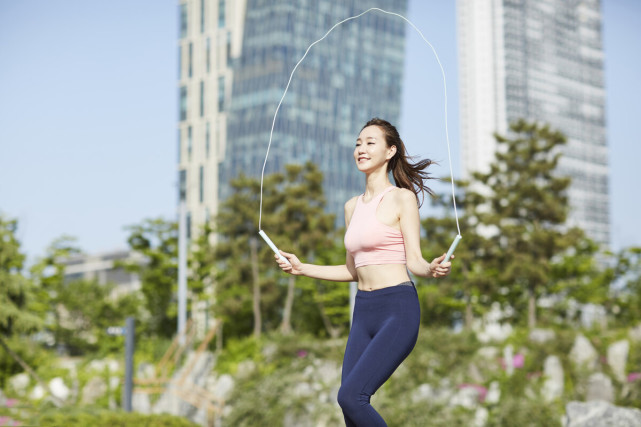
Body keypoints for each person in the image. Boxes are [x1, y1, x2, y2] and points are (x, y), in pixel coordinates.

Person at [274, 117, 453, 426]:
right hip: (364, 311)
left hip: (397, 308)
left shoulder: (401, 198)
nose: (361, 148)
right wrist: (301, 268)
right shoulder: (351, 207)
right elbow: (352, 270)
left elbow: (415, 261)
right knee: (350, 410)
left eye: (371, 142)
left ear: (389, 151)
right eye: (358, 143)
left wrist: (431, 269)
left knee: (351, 396)